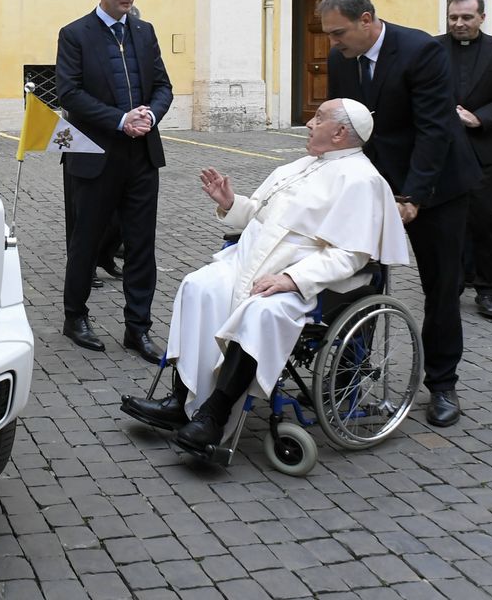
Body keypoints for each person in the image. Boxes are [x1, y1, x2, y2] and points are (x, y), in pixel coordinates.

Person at [120, 98, 409, 452]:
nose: (309, 123)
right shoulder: (301, 165)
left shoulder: (362, 180)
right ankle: (181, 399)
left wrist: (292, 279)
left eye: (318, 118)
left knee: (261, 310)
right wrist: (230, 202)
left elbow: (349, 256)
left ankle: (214, 415)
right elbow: (260, 218)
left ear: (340, 133)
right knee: (199, 286)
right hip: (251, 262)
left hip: (314, 283)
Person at [319, 0, 480, 427]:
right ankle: (350, 377)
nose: (333, 43)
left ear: (367, 20)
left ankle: (443, 385)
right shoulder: (340, 59)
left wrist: (413, 197)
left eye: (339, 33)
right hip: (377, 185)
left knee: (441, 288)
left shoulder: (420, 50)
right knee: (357, 281)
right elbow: (344, 126)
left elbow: (434, 129)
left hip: (438, 186)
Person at [56, 0, 174, 359]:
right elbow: (69, 93)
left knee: (141, 245)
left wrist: (150, 115)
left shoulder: (144, 31)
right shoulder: (75, 34)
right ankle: (75, 316)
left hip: (141, 156)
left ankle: (137, 328)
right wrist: (120, 119)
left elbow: (162, 86)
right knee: (85, 241)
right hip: (93, 156)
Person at [437, 0, 492, 320]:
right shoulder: (432, 48)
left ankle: (488, 291)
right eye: (453, 17)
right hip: (442, 152)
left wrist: (479, 118)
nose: (459, 23)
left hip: (483, 151)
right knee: (445, 224)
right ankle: (450, 286)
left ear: (482, 18)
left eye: (466, 18)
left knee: (486, 223)